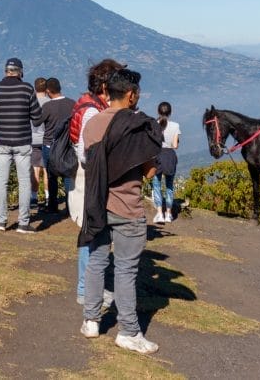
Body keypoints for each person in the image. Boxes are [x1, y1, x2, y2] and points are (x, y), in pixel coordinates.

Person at [79, 69, 162, 355]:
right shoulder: (138, 127)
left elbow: (86, 162)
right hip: (127, 208)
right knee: (125, 271)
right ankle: (128, 331)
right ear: (131, 95)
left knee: (96, 263)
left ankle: (91, 320)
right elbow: (149, 171)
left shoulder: (91, 124)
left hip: (96, 206)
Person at [70, 58, 126, 305]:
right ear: (105, 87)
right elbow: (86, 153)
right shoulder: (93, 111)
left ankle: (89, 287)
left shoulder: (86, 104)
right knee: (91, 234)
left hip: (87, 179)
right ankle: (86, 290)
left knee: (92, 233)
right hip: (90, 180)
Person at [0, 57, 44, 234]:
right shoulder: (27, 89)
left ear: (5, 71)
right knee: (24, 182)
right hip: (22, 142)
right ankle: (23, 223)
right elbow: (37, 118)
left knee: (1, 181)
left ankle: (1, 222)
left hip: (1, 142)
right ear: (21, 72)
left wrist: (2, 114)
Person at [39, 77, 75, 214]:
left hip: (50, 145)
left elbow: (37, 122)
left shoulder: (47, 106)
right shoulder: (72, 103)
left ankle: (52, 206)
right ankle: (69, 206)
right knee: (67, 175)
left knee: (51, 176)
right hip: (67, 145)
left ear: (48, 91)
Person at [152, 101, 180, 224]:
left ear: (158, 112)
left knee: (156, 185)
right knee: (169, 186)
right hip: (169, 156)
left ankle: (159, 213)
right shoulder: (175, 125)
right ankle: (169, 214)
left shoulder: (154, 124)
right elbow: (175, 145)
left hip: (157, 155)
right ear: (170, 112)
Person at [30, 77, 49, 207]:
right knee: (47, 170)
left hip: (32, 139)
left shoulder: (30, 102)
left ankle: (33, 198)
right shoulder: (50, 103)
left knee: (35, 170)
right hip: (46, 139)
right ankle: (48, 197)